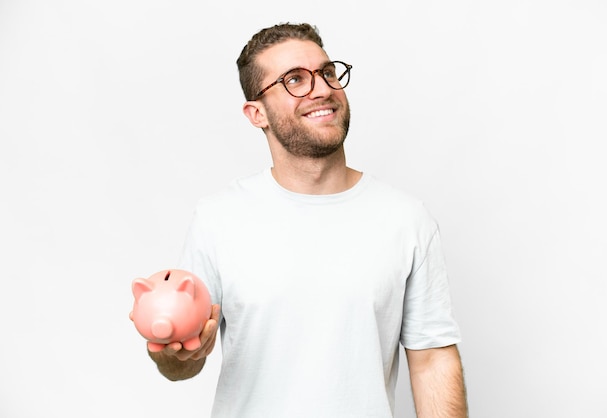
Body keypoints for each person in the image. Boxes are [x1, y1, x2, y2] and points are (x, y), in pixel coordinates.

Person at [146, 22, 468, 418]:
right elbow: (182, 363)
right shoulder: (218, 219)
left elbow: (433, 359)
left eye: (327, 72)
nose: (322, 88)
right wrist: (177, 353)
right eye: (294, 79)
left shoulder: (406, 219)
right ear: (256, 113)